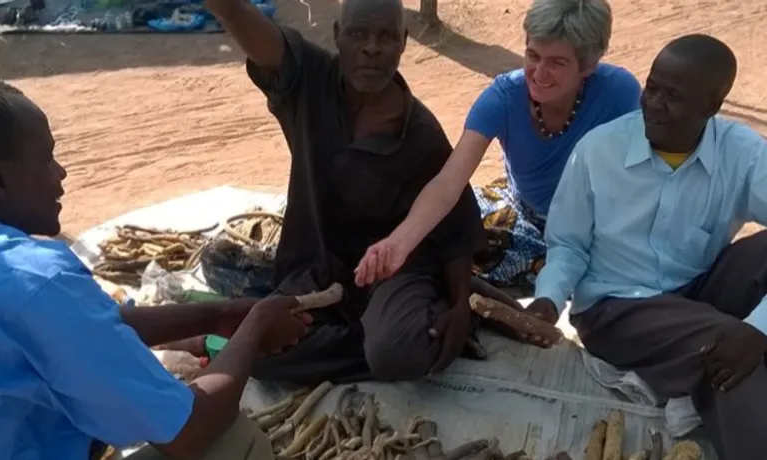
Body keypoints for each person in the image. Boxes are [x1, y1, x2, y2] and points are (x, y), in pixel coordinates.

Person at [0, 77, 312, 460]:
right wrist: (257, 325)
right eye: (47, 158)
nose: (60, 173)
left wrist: (218, 314)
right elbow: (189, 432)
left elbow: (86, 323)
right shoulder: (32, 279)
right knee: (233, 440)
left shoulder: (2, 275)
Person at [204, 0, 485, 384]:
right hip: (319, 265)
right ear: (338, 36)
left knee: (393, 354)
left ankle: (398, 334)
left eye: (386, 36)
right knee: (256, 350)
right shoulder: (311, 79)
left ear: (403, 43)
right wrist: (224, 6)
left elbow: (456, 230)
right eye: (358, 34)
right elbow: (264, 42)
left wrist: (460, 305)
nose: (371, 48)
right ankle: (389, 336)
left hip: (397, 273)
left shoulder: (420, 133)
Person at [530, 34, 767, 459]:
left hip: (697, 290)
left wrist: (760, 327)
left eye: (671, 97)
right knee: (726, 351)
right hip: (615, 308)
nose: (653, 104)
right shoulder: (599, 151)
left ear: (711, 107)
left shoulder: (743, 153)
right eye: (651, 87)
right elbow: (568, 244)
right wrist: (548, 298)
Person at [353, 0, 641, 298]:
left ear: (589, 66)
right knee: (445, 248)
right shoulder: (502, 99)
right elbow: (448, 182)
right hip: (526, 217)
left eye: (557, 63)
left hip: (595, 225)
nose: (539, 74)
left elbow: (642, 173)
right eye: (533, 56)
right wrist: (398, 244)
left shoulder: (619, 93)